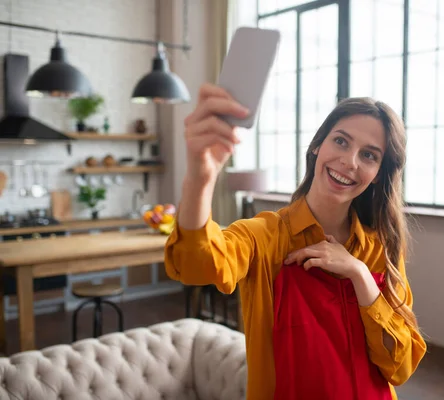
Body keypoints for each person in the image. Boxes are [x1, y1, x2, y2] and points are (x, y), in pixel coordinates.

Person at [164, 83, 427, 400]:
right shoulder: (265, 235)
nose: (349, 161)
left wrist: (359, 274)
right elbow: (195, 266)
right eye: (341, 141)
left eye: (369, 155)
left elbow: (400, 366)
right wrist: (200, 178)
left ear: (378, 173)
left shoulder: (380, 247)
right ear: (318, 146)